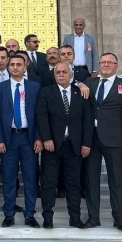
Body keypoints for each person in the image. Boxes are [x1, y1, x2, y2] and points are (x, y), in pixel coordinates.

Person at [84, 52, 122, 230]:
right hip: (91, 140)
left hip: (114, 140)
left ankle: (119, 219)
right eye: (103, 62)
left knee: (116, 181)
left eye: (110, 62)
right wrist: (79, 83)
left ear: (116, 65)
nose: (106, 65)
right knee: (91, 181)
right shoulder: (89, 82)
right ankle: (93, 217)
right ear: (99, 65)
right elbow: (70, 81)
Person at [36, 61, 93, 229]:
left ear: (71, 75)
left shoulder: (80, 92)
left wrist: (86, 143)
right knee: (49, 183)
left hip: (74, 146)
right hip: (52, 146)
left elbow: (87, 120)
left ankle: (75, 218)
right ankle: (47, 217)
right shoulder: (46, 92)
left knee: (73, 183)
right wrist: (46, 139)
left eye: (64, 72)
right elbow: (41, 116)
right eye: (58, 72)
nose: (61, 75)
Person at [0, 53, 42, 227]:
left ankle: (30, 214)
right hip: (9, 138)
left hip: (29, 138)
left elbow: (40, 114)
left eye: (18, 64)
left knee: (30, 177)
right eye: (12, 64)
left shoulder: (34, 87)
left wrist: (39, 137)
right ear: (8, 66)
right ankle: (9, 213)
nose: (15, 67)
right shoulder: (0, 88)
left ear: (25, 66)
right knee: (8, 177)